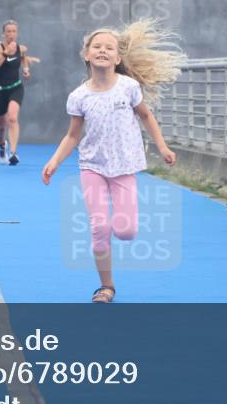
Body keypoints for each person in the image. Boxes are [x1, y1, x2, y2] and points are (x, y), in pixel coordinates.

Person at [41, 21, 183, 303]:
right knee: (99, 226)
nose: (103, 51)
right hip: (92, 166)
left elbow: (146, 116)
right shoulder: (79, 96)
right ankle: (106, 286)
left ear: (118, 58)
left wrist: (163, 146)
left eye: (109, 48)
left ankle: (116, 243)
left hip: (124, 167)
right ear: (86, 54)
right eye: (97, 47)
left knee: (126, 231)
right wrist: (55, 161)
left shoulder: (128, 87)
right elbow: (72, 135)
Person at [0, 20, 31, 165]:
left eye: (14, 31)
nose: (11, 34)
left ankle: (13, 153)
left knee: (12, 118)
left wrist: (26, 70)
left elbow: (24, 59)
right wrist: (5, 53)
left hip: (15, 88)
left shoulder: (21, 48)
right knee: (1, 127)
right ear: (4, 33)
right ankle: (2, 146)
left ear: (17, 33)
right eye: (9, 31)